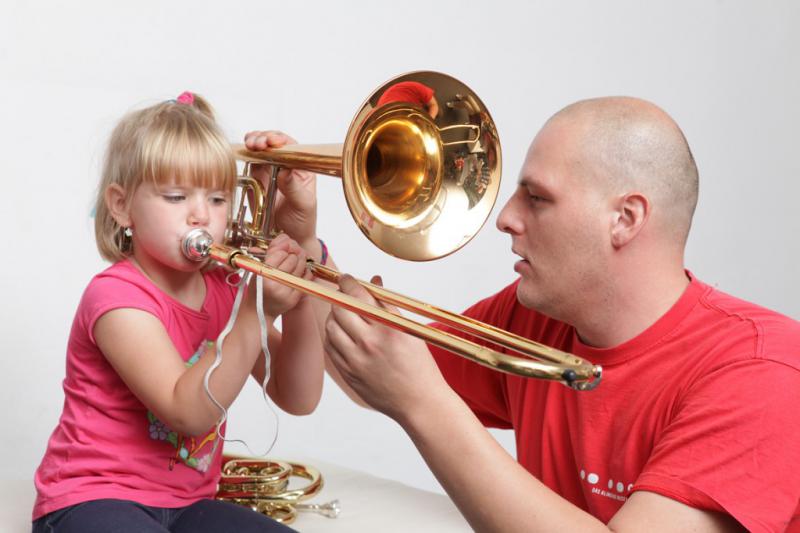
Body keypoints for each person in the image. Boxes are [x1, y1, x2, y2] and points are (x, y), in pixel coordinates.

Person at [321, 97, 800, 532]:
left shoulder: (766, 370)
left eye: (537, 197)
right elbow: (374, 372)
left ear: (626, 219)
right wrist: (308, 256)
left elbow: (414, 388)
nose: (505, 217)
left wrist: (421, 402)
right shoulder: (540, 315)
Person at [32, 92, 324, 533]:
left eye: (218, 199)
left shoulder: (225, 290)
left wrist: (301, 246)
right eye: (174, 197)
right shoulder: (115, 297)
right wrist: (255, 313)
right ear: (121, 205)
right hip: (92, 498)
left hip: (188, 505)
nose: (201, 216)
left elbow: (297, 394)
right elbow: (186, 411)